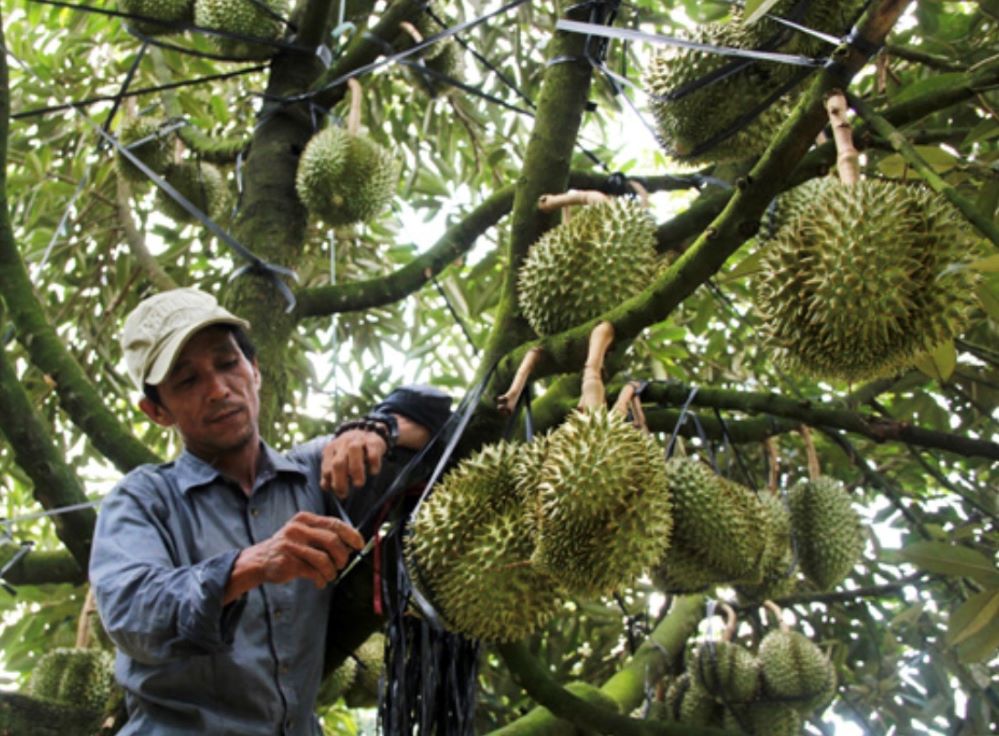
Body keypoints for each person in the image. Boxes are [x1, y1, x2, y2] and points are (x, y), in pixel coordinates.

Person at [88, 287, 451, 735]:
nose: (219, 390)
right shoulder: (143, 500)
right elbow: (133, 613)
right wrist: (250, 565)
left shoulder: (321, 472)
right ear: (156, 411)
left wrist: (381, 428)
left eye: (227, 363)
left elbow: (454, 431)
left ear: (254, 370)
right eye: (187, 381)